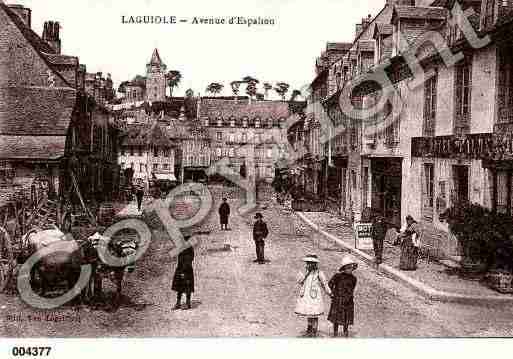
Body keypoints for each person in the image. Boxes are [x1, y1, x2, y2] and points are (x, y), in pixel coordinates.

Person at [295, 254, 332, 337]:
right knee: (309, 312)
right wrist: (303, 275)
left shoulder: (319, 273)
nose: (309, 265)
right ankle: (309, 329)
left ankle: (314, 331)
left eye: (311, 263)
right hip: (307, 295)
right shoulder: (306, 273)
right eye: (308, 263)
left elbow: (324, 284)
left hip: (315, 295)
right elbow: (300, 282)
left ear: (315, 264)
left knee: (314, 313)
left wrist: (329, 292)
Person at [328, 255, 358, 337]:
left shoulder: (353, 278)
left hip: (348, 300)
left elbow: (352, 288)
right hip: (338, 299)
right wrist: (332, 293)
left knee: (346, 318)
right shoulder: (337, 276)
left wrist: (348, 296)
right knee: (336, 319)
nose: (349, 269)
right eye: (347, 267)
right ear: (344, 268)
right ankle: (335, 333)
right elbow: (330, 284)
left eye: (351, 267)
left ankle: (345, 332)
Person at [172, 234, 195, 310]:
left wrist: (183, 272)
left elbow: (188, 261)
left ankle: (188, 303)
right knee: (179, 287)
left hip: (186, 270)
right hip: (180, 269)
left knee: (187, 287)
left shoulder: (189, 249)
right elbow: (180, 260)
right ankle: (178, 303)